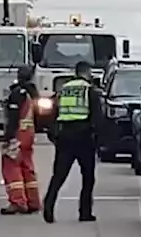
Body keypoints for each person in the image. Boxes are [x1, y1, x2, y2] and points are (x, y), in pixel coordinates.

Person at [41, 60, 103, 223]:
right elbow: (97, 117)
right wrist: (98, 138)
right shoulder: (91, 91)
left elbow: (51, 113)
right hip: (84, 138)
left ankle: (48, 205)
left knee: (59, 175)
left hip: (64, 137)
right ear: (87, 73)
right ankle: (85, 212)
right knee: (88, 177)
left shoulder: (63, 90)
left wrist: (53, 134)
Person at [0, 64, 41, 215]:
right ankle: (33, 200)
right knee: (27, 167)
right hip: (28, 134)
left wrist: (8, 137)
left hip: (17, 135)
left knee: (11, 166)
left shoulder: (16, 94)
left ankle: (17, 202)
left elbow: (13, 117)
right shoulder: (32, 93)